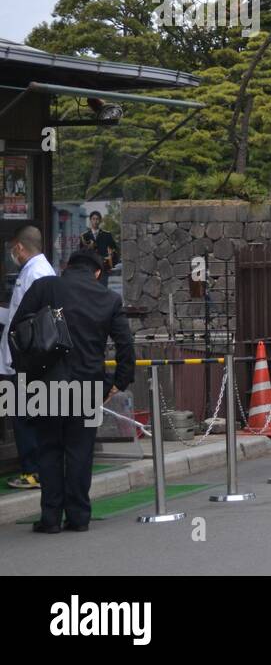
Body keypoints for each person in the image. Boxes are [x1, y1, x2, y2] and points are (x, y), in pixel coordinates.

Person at [14, 249, 135, 531]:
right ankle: (79, 517)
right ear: (96, 272)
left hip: (45, 382)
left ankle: (51, 518)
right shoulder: (108, 298)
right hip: (88, 384)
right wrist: (119, 381)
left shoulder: (45, 286)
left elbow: (17, 330)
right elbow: (125, 345)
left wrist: (25, 373)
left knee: (49, 450)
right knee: (80, 451)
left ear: (66, 267)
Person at [0, 225, 58, 490]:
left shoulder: (37, 273)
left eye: (13, 248)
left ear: (20, 247)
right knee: (23, 413)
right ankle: (36, 469)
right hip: (21, 359)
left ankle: (33, 470)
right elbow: (16, 315)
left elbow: (31, 321)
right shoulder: (34, 271)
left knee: (24, 416)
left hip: (25, 360)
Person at [81, 212, 118, 286]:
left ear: (100, 220)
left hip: (103, 268)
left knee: (103, 289)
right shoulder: (84, 236)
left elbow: (115, 250)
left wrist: (110, 264)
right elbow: (81, 253)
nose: (95, 221)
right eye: (93, 219)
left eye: (97, 219)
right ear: (90, 220)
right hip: (90, 269)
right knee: (92, 290)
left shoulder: (107, 235)